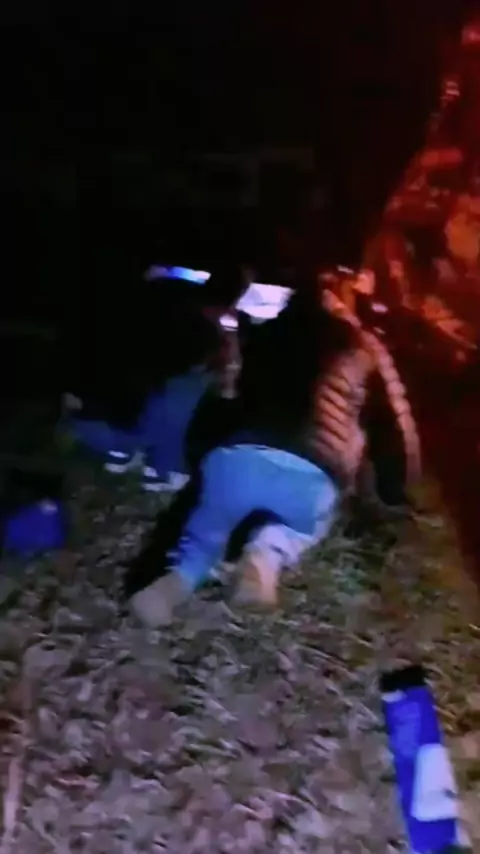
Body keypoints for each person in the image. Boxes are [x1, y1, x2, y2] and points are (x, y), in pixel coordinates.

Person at [128, 285, 421, 627]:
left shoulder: (263, 333)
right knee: (301, 528)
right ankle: (266, 554)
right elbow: (393, 424)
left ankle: (179, 576)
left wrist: (203, 451)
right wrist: (394, 490)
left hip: (239, 456)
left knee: (208, 523)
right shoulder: (364, 349)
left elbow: (222, 389)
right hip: (316, 471)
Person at [64, 264, 249, 491]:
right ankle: (160, 470)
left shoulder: (172, 294)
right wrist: (228, 384)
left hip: (140, 366)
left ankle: (124, 453)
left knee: (154, 400)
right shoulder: (218, 317)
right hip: (175, 371)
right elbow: (225, 358)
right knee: (178, 404)